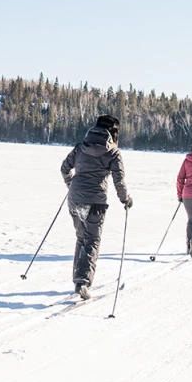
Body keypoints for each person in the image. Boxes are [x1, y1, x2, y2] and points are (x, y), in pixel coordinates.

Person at [60, 114, 132, 299]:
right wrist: (126, 200)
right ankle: (82, 281)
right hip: (95, 202)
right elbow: (119, 181)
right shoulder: (113, 152)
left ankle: (78, 278)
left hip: (75, 199)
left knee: (81, 238)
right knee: (92, 240)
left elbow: (64, 168)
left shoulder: (81, 147)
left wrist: (71, 184)